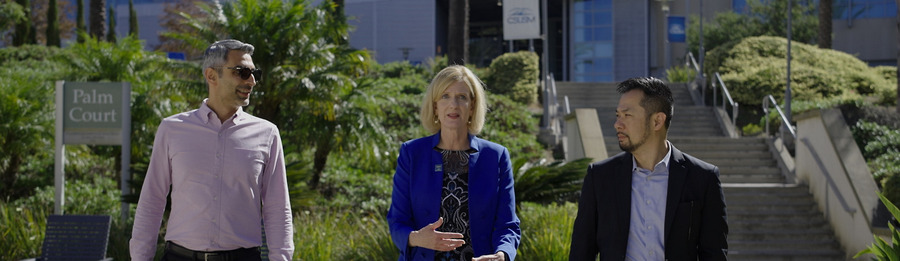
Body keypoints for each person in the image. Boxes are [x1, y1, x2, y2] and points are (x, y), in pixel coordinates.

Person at [130, 39, 294, 261]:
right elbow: (152, 199)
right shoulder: (172, 129)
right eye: (242, 72)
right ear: (211, 75)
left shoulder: (267, 133)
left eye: (255, 73)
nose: (252, 81)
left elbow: (277, 207)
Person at [569, 77, 728, 260]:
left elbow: (714, 254)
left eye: (627, 115)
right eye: (617, 115)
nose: (617, 124)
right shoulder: (600, 177)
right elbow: (581, 252)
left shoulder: (703, 178)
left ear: (657, 121)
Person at [387, 65, 521, 261]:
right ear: (435, 107)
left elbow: (507, 225)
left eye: (462, 97)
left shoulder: (496, 156)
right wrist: (416, 238)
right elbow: (397, 221)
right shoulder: (412, 153)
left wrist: (502, 255)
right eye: (445, 96)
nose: (453, 105)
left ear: (472, 106)